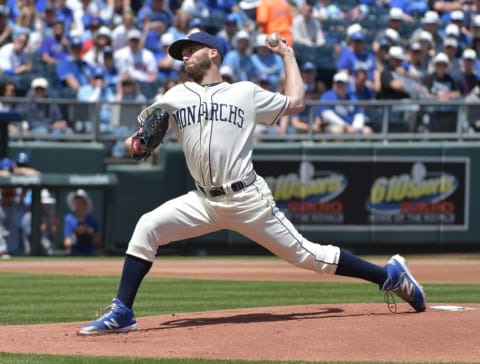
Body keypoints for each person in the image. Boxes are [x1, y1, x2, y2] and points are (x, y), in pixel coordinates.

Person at [79, 31, 427, 335]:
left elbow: (297, 102)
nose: (184, 55)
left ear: (213, 53)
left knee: (310, 257)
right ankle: (122, 311)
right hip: (202, 201)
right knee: (148, 226)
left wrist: (287, 56)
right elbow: (136, 141)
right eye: (181, 52)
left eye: (190, 49)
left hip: (247, 200)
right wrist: (137, 143)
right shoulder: (175, 95)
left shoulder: (245, 92)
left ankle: (389, 275)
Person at [64, 189, 100, 256]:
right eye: (76, 203)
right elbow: (67, 241)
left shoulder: (93, 221)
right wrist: (75, 233)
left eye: (81, 203)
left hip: (89, 254)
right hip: (74, 254)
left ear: (86, 204)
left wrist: (89, 231)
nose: (78, 206)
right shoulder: (69, 219)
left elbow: (97, 242)